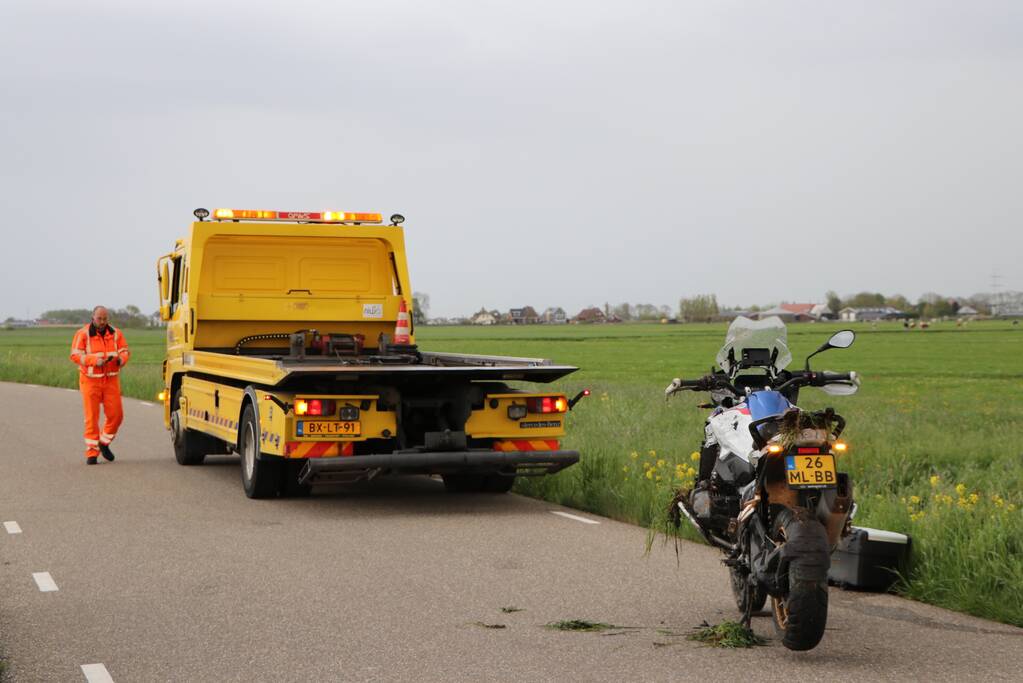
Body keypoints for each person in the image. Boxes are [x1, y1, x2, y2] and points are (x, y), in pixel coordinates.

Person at [69, 307, 130, 464]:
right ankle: (91, 452)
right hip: (90, 380)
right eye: (99, 319)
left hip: (111, 380)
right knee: (91, 418)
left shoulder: (116, 333)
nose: (102, 322)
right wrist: (94, 361)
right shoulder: (82, 334)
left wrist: (120, 360)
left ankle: (103, 443)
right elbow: (75, 355)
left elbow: (125, 351)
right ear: (93, 317)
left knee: (116, 416)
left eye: (104, 319)